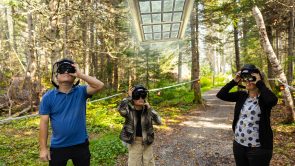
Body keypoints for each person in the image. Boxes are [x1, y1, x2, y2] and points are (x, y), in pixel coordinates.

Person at [39, 58, 104, 166]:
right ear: (56, 76)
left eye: (69, 69)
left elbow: (100, 85)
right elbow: (43, 123)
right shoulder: (48, 97)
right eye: (62, 69)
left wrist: (80, 74)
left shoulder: (81, 91)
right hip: (58, 146)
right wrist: (43, 148)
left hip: (80, 145)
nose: (66, 72)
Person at [216, 64, 278, 166]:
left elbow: (272, 101)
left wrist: (259, 82)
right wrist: (235, 81)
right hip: (239, 145)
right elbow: (221, 94)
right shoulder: (242, 95)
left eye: (251, 79)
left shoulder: (264, 98)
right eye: (246, 79)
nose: (248, 81)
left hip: (258, 149)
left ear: (259, 80)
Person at [118, 85, 162, 166]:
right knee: (134, 163)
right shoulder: (129, 110)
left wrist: (150, 109)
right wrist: (129, 97)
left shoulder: (147, 110)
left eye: (143, 96)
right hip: (134, 141)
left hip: (147, 140)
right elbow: (121, 109)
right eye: (137, 96)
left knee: (149, 162)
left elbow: (159, 121)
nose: (141, 98)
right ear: (133, 98)